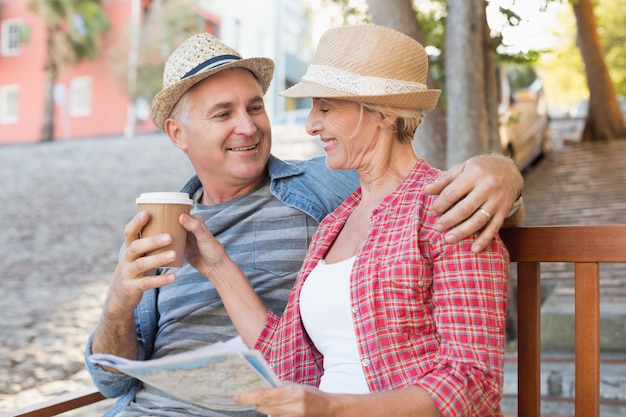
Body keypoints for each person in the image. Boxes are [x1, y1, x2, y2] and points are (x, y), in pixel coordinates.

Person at [85, 30, 521, 417]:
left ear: (386, 112)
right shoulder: (337, 221)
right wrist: (202, 268)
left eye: (326, 108)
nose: (310, 125)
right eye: (223, 114)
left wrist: (503, 173)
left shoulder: (413, 201)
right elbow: (286, 359)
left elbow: (474, 382)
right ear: (177, 133)